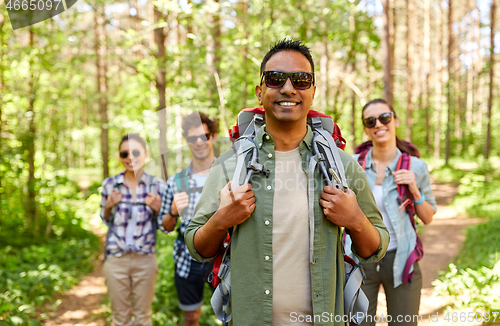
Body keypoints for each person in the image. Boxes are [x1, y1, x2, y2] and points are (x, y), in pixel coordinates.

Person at [184, 39, 389, 326]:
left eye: (302, 80)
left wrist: (355, 219)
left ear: (313, 92)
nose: (289, 88)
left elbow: (374, 247)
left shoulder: (342, 166)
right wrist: (221, 220)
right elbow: (197, 246)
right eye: (275, 79)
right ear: (260, 92)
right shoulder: (230, 166)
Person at [353, 98, 437, 326]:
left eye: (384, 118)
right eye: (370, 121)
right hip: (360, 259)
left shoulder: (416, 167)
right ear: (366, 129)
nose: (378, 124)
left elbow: (428, 217)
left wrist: (415, 192)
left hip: (402, 259)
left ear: (395, 120)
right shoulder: (352, 166)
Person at [100, 133, 167, 326]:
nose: (130, 157)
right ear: (120, 157)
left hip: (145, 260)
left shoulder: (158, 186)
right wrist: (108, 206)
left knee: (143, 317)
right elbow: (105, 220)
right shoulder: (110, 185)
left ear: (145, 154)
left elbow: (165, 226)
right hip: (116, 259)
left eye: (136, 152)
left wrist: (159, 209)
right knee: (120, 318)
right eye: (124, 153)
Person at [159, 112, 218, 326]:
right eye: (193, 138)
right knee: (190, 318)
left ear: (213, 136)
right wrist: (173, 211)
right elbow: (164, 227)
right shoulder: (176, 181)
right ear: (186, 141)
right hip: (187, 261)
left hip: (223, 257)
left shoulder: (228, 174)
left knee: (232, 314)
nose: (199, 142)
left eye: (204, 136)